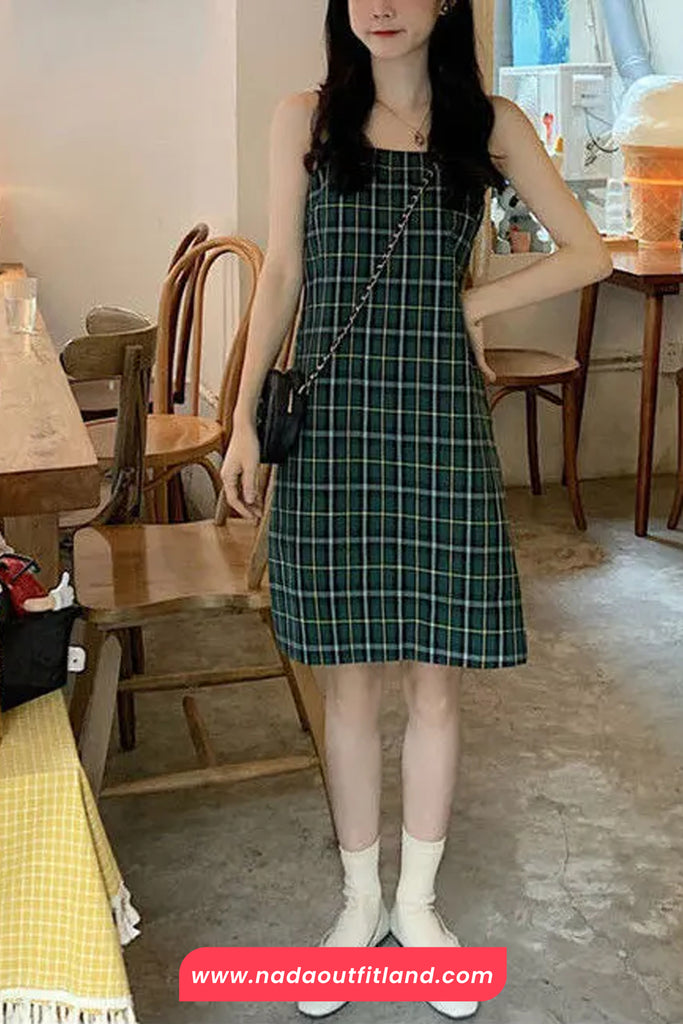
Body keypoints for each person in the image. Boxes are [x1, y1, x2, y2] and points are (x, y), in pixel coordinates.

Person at [221, 1, 613, 1018]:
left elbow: (588, 253)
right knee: (347, 685)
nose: (381, 6)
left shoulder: (487, 125)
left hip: (437, 423)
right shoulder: (303, 117)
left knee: (435, 683)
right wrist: (242, 423)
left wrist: (468, 305)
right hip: (333, 426)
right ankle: (359, 905)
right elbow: (282, 277)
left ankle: (417, 905)